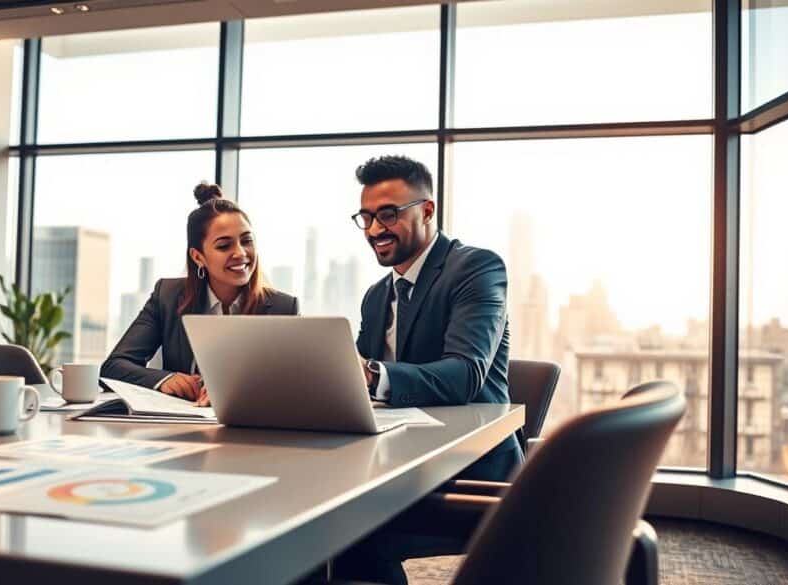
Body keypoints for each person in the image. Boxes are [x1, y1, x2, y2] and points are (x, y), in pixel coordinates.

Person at [336, 155, 521, 584]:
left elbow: (466, 374)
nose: (375, 229)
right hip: (394, 462)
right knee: (308, 522)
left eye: (388, 214)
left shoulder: (476, 268)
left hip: (470, 472)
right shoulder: (377, 294)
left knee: (343, 535)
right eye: (366, 217)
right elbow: (359, 379)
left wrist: (369, 375)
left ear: (427, 210)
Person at [101, 182, 299, 406]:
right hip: (185, 430)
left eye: (247, 241)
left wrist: (232, 392)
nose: (241, 253)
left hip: (254, 431)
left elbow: (296, 383)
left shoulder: (283, 308)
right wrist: (166, 379)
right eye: (224, 246)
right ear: (198, 257)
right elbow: (114, 366)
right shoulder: (167, 296)